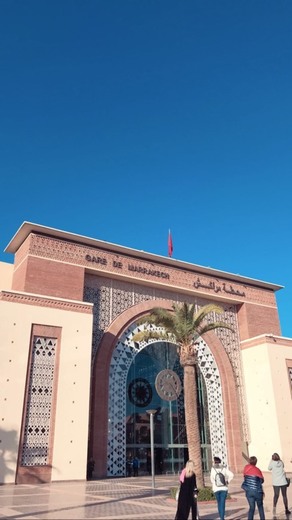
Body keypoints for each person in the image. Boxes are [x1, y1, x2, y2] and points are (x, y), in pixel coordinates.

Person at [210, 456, 234, 520]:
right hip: (224, 488)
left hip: (216, 489)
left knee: (219, 503)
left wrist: (215, 483)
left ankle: (221, 517)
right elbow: (231, 475)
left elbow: (211, 479)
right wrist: (227, 482)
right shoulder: (224, 468)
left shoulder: (213, 469)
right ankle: (222, 518)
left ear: (214, 461)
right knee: (222, 504)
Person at [242, 456, 265, 520]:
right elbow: (262, 480)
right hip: (258, 492)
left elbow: (245, 477)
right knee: (260, 507)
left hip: (249, 491)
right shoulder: (258, 470)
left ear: (249, 461)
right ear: (256, 462)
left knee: (252, 508)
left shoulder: (246, 468)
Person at [268, 452, 290, 517]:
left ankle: (274, 508)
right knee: (284, 496)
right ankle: (286, 509)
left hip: (276, 482)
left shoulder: (272, 463)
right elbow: (283, 466)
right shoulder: (281, 462)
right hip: (283, 482)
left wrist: (271, 460)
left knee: (276, 495)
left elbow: (269, 468)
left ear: (273, 458)